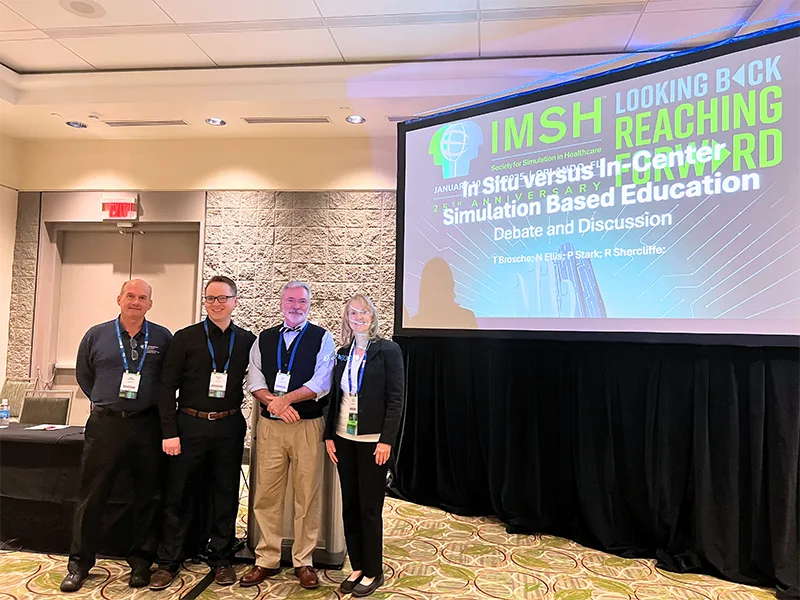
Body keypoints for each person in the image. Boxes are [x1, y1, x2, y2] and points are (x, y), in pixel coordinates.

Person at [60, 279, 172, 593]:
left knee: (147, 496)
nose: (136, 302)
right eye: (131, 296)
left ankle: (140, 563)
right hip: (106, 425)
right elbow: (85, 375)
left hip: (147, 425)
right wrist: (108, 401)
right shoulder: (97, 335)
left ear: (150, 304)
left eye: (143, 298)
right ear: (119, 299)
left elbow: (167, 382)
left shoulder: (163, 338)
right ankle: (79, 564)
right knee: (91, 496)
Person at [149, 276, 256, 590]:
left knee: (225, 494)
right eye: (210, 299)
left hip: (228, 426)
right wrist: (169, 431)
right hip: (189, 426)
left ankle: (221, 557)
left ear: (235, 301)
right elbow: (166, 387)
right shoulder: (185, 339)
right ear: (205, 302)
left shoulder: (248, 342)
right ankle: (169, 561)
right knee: (178, 494)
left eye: (223, 298)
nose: (216, 304)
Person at [240, 281, 335, 590]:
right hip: (270, 427)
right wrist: (276, 405)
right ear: (282, 303)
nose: (296, 305)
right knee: (266, 494)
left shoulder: (323, 338)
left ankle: (303, 561)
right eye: (291, 300)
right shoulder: (263, 339)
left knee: (307, 494)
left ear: (309, 305)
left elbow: (322, 381)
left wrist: (285, 401)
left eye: (302, 301)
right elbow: (254, 380)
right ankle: (265, 559)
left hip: (307, 426)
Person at [324, 294, 404, 597]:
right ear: (346, 318)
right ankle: (356, 565)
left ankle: (373, 571)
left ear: (373, 316)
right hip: (344, 439)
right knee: (350, 505)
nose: (358, 317)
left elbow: (396, 400)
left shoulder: (388, 351)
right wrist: (329, 435)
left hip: (373, 442)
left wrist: (387, 440)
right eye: (352, 313)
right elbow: (335, 397)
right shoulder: (343, 353)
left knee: (370, 508)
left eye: (363, 312)